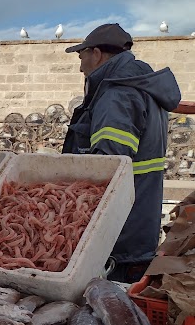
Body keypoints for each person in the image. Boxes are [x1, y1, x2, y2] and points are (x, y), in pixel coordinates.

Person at [62, 23, 181, 284]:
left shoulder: (118, 96)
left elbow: (107, 168)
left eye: (81, 56)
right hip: (138, 227)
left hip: (119, 239)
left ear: (96, 54)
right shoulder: (140, 87)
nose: (80, 66)